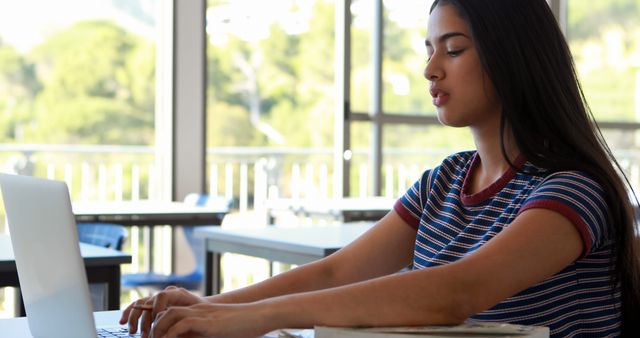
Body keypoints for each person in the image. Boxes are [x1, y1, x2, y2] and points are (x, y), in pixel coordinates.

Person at [121, 0, 640, 337]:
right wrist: (206, 306)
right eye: (429, 50)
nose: (430, 69)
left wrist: (248, 319)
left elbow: (456, 293)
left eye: (454, 49)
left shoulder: (574, 190)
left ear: (514, 59)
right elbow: (336, 270)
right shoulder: (444, 182)